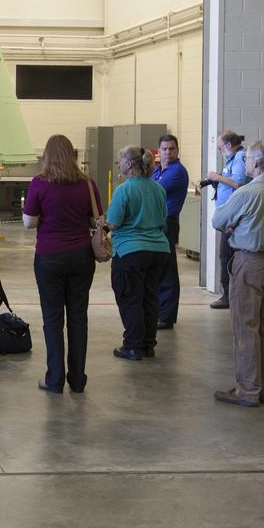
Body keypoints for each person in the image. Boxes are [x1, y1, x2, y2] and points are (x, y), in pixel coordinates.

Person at [210, 141, 264, 407]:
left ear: (256, 163)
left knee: (245, 327)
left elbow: (218, 221)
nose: (245, 162)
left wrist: (236, 225)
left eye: (247, 159)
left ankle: (247, 389)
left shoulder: (247, 193)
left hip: (249, 262)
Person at [23, 135, 99, 394]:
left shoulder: (39, 183)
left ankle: (54, 379)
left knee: (52, 319)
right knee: (78, 317)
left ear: (47, 155)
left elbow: (28, 222)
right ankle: (77, 379)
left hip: (49, 257)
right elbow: (95, 221)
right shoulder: (87, 184)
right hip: (81, 255)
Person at [106, 146, 171, 361]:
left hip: (131, 250)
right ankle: (147, 344)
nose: (119, 164)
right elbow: (163, 218)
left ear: (130, 164)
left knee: (130, 297)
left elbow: (113, 223)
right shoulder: (158, 188)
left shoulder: (124, 190)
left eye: (120, 160)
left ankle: (132, 345)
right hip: (159, 250)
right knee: (149, 296)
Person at [207, 130, 250, 309]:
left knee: (227, 256)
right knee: (225, 256)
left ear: (229, 145)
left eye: (219, 147)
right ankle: (229, 294)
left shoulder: (239, 157)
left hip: (235, 218)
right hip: (229, 216)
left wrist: (217, 177)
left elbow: (238, 183)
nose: (219, 151)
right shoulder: (232, 160)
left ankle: (229, 296)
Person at [151, 133, 189, 329]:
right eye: (164, 149)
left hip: (167, 222)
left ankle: (166, 316)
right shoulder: (157, 171)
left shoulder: (177, 172)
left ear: (177, 150)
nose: (168, 152)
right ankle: (158, 311)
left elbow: (152, 191)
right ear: (159, 151)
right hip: (156, 223)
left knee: (167, 269)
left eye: (172, 149)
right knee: (158, 268)